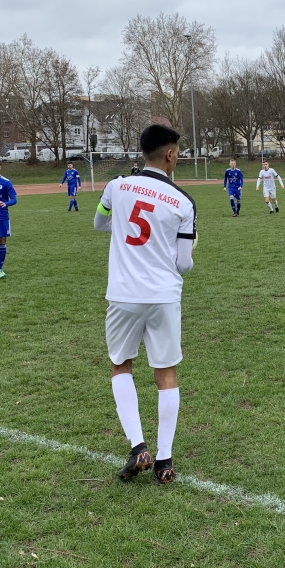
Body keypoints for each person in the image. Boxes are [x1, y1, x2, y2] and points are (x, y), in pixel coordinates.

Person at [94, 124, 196, 484]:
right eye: (178, 153)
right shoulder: (183, 201)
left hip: (123, 294)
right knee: (166, 373)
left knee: (121, 365)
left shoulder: (116, 186)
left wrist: (123, 228)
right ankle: (165, 461)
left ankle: (138, 447)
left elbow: (99, 222)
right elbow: (184, 264)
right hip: (163, 296)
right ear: (169, 154)